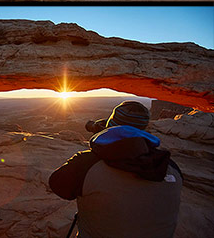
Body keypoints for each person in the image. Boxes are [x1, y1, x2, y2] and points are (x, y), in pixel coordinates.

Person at [49, 101, 182, 238]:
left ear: (110, 128)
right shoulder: (170, 166)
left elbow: (56, 184)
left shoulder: (87, 164)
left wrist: (100, 147)